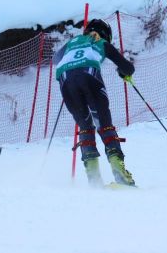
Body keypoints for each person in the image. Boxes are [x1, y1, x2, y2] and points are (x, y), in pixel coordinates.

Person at [54, 18, 136, 187]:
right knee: (104, 125)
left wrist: (72, 63)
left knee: (85, 127)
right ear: (105, 34)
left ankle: (93, 178)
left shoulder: (72, 42)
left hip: (65, 79)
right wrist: (123, 73)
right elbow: (128, 68)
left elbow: (55, 58)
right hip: (89, 74)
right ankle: (120, 174)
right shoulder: (102, 42)